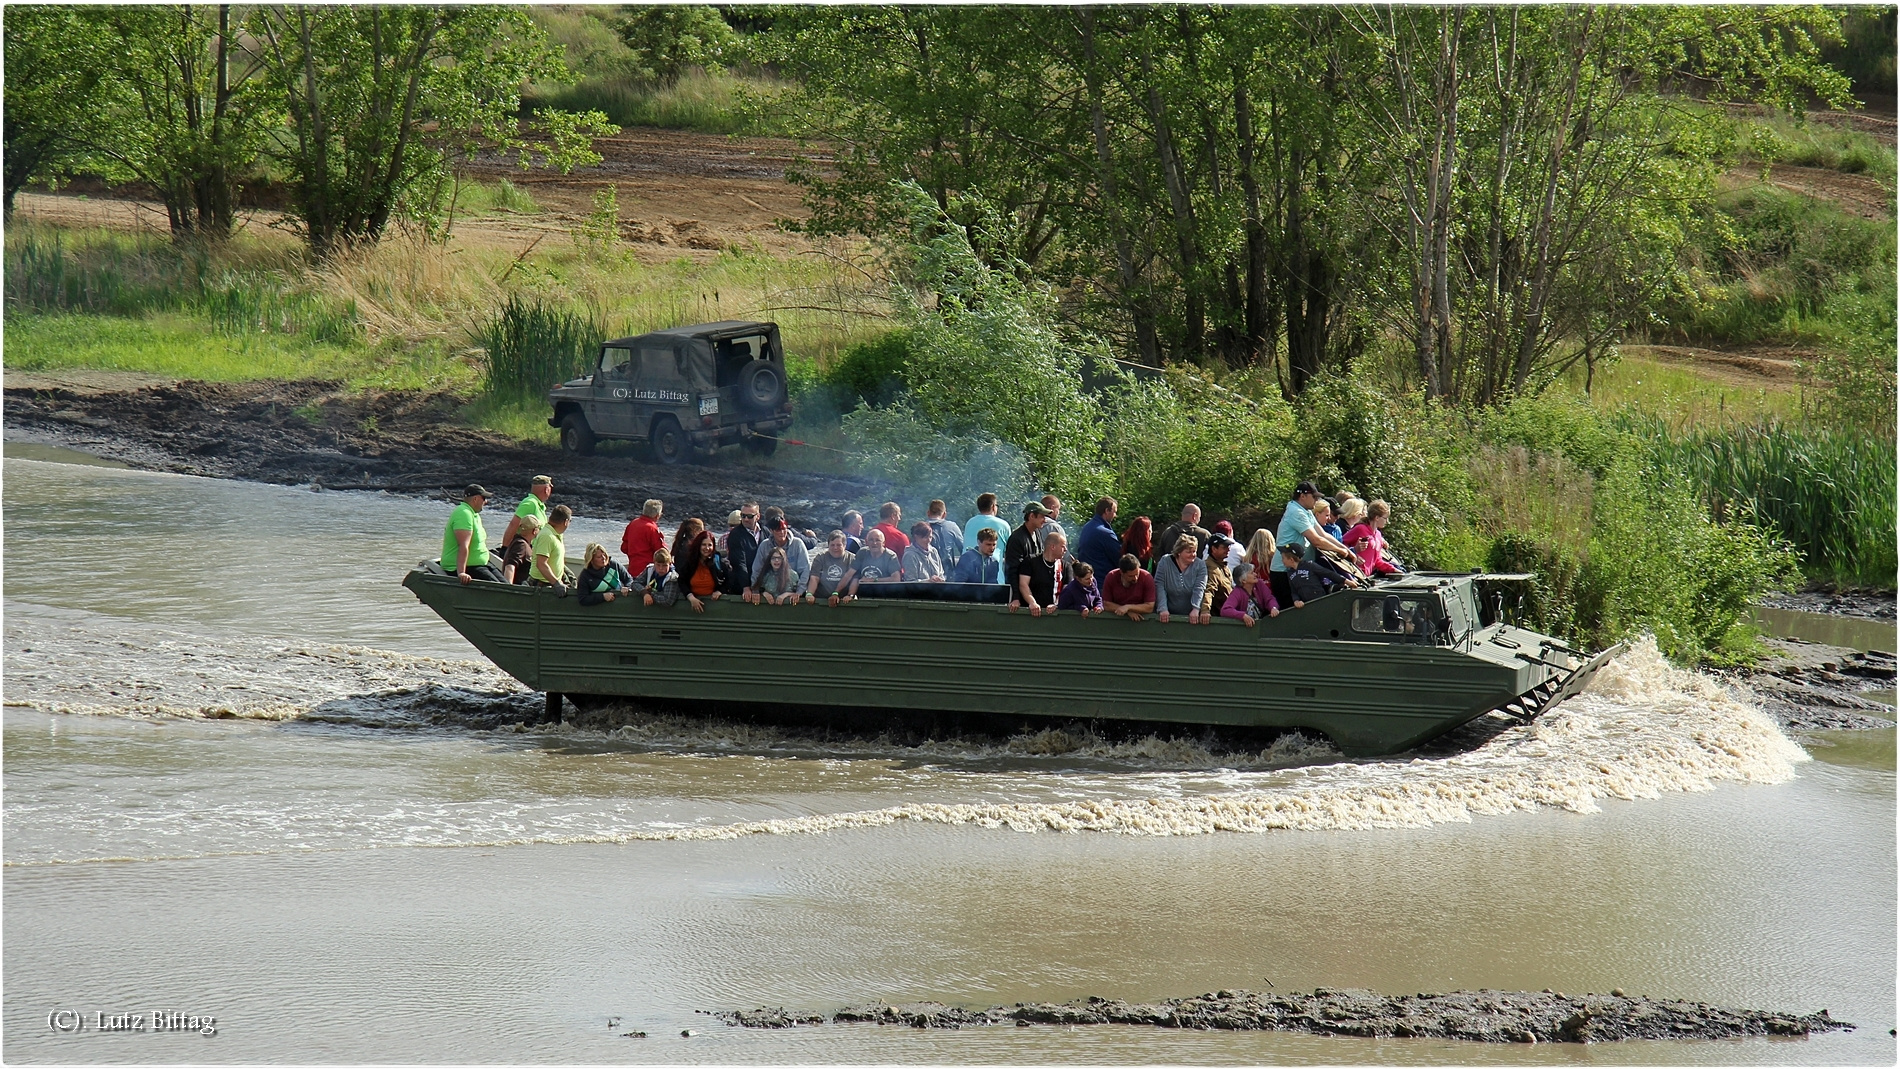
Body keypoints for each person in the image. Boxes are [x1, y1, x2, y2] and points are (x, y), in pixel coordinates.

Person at [1270, 481, 1353, 608]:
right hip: (1284, 571)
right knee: (1290, 612)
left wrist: (1345, 549)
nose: (1317, 500)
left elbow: (1323, 535)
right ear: (1302, 496)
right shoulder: (1296, 512)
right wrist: (1341, 551)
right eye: (1314, 497)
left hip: (1300, 568)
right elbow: (1316, 540)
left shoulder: (1306, 511)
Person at [441, 484, 504, 584]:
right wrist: (461, 572)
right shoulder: (463, 513)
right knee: (501, 590)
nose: (486, 502)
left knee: (507, 586)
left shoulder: (474, 514)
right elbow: (463, 545)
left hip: (480, 564)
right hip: (468, 567)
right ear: (475, 499)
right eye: (484, 498)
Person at [746, 516, 812, 602]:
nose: (782, 532)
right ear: (771, 531)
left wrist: (799, 592)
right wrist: (756, 590)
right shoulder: (764, 546)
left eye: (784, 529)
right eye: (778, 530)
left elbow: (805, 569)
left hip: (792, 592)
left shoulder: (798, 544)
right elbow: (757, 569)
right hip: (769, 589)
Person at [1004, 501, 1052, 606]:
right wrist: (1015, 597)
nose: (1045, 520)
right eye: (1042, 517)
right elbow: (1012, 570)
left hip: (1033, 592)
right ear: (1031, 516)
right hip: (1021, 596)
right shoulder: (1016, 539)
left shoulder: (1038, 533)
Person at [1154, 535, 1208, 624]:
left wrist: (1196, 608)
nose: (1193, 554)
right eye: (1189, 552)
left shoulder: (1200, 565)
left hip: (1190, 613)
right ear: (1179, 552)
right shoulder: (1165, 562)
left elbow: (1199, 588)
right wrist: (1162, 609)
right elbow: (1159, 585)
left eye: (1194, 551)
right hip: (1168, 611)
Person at [1344, 499, 1406, 576]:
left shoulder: (1378, 535)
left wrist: (1394, 570)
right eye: (1385, 518)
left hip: (1366, 577)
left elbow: (1378, 561)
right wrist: (1353, 554)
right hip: (1354, 574)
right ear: (1377, 517)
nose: (1387, 521)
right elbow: (1341, 543)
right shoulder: (1360, 529)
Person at [1281, 542, 1351, 607]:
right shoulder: (1290, 573)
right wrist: (1296, 600)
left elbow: (1328, 573)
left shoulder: (1309, 565)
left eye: (1283, 558)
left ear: (1291, 559)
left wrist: (1345, 581)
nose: (1282, 561)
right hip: (1307, 604)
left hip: (1320, 600)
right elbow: (1294, 590)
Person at [1015, 529, 1066, 616]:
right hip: (1031, 613)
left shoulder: (1065, 566)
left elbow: (1067, 589)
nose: (1065, 549)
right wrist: (1032, 603)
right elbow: (1023, 584)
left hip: (1056, 613)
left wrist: (1057, 605)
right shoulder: (1030, 561)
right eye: (1063, 546)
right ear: (1053, 547)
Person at [677, 528, 727, 612]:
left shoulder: (719, 561)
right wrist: (691, 597)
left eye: (710, 545)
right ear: (698, 545)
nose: (707, 548)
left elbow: (730, 579)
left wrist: (720, 591)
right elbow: (681, 581)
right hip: (692, 603)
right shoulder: (689, 561)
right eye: (704, 545)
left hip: (714, 604)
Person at [1075, 496, 1123, 582]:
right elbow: (1119, 559)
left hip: (1086, 579)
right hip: (1102, 581)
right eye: (1114, 512)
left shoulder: (1087, 527)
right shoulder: (1105, 533)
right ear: (1107, 511)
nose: (1115, 515)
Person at [722, 501, 764, 594]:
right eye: (743, 515)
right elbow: (739, 563)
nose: (745, 519)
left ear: (758, 516)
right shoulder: (735, 535)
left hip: (763, 583)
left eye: (749, 516)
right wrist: (746, 586)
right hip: (742, 585)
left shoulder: (765, 532)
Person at [1220, 562, 1280, 626]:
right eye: (1252, 573)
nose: (1255, 574)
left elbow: (1269, 598)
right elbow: (1225, 610)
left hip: (1262, 624)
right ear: (1243, 580)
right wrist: (1242, 616)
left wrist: (1273, 608)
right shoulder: (1237, 592)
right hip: (1246, 628)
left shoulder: (1259, 584)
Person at [807, 531, 858, 605]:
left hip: (843, 600)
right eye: (832, 545)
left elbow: (855, 580)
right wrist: (809, 594)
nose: (835, 548)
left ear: (844, 545)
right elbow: (814, 578)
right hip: (822, 599)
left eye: (838, 545)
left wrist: (850, 595)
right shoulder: (820, 558)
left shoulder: (852, 559)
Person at [531, 504, 574, 594]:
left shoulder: (556, 534)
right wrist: (556, 583)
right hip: (541, 586)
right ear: (566, 522)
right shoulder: (547, 536)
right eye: (570, 521)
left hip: (552, 582)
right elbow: (541, 564)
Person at [1101, 554, 1157, 621]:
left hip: (1141, 619)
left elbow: (1149, 607)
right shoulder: (1111, 576)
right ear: (1121, 572)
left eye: (1137, 574)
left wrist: (1128, 607)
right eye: (1131, 576)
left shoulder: (1146, 577)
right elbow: (1106, 604)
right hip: (1116, 619)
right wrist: (1127, 611)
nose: (1135, 578)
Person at [501, 475, 553, 547]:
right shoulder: (530, 503)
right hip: (524, 551)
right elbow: (513, 525)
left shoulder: (538, 505)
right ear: (546, 490)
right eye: (550, 488)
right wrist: (504, 548)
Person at [847, 528, 902, 595]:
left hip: (885, 595)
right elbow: (851, 575)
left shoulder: (890, 556)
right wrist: (845, 594)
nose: (874, 543)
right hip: (863, 595)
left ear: (883, 543)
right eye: (871, 540)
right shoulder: (862, 553)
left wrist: (873, 580)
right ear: (866, 542)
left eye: (878, 540)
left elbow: (896, 579)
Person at [962, 493, 1010, 565]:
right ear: (993, 506)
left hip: (968, 571)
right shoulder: (1003, 525)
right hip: (995, 573)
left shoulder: (970, 523)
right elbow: (1011, 551)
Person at [622, 499, 666, 576]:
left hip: (633, 569)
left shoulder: (633, 523)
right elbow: (661, 552)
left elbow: (624, 548)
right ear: (657, 515)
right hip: (648, 571)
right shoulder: (652, 529)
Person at [500, 514, 543, 585]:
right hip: (521, 587)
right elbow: (510, 566)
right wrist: (509, 588)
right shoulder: (521, 545)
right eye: (539, 528)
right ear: (534, 531)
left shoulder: (521, 542)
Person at [1201, 534, 1237, 616]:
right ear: (1214, 549)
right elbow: (1208, 589)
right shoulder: (1211, 568)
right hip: (1217, 616)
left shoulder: (1223, 566)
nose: (1228, 550)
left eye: (1228, 547)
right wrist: (1205, 610)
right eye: (1224, 547)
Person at [924, 500, 964, 565]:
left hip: (926, 571)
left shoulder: (920, 528)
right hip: (948, 572)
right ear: (944, 514)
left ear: (928, 513)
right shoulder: (952, 526)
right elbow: (962, 549)